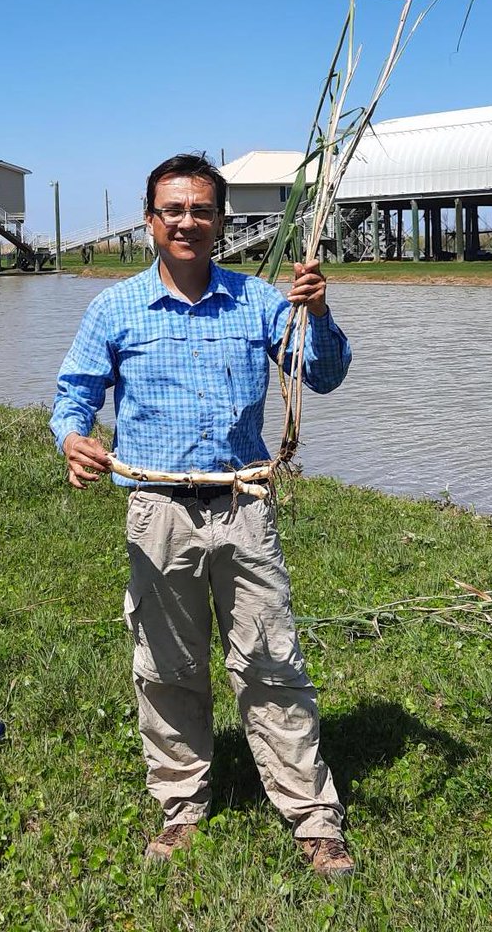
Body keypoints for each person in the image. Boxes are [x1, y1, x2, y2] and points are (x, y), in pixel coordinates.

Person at [50, 152, 355, 880]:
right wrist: (73, 439)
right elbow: (73, 396)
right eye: (172, 210)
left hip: (244, 506)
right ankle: (182, 805)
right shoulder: (113, 310)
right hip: (156, 511)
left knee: (272, 660)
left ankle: (313, 818)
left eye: (201, 210)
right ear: (151, 222)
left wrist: (317, 313)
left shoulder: (258, 304)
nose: (187, 221)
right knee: (167, 667)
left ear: (220, 223)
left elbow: (326, 374)